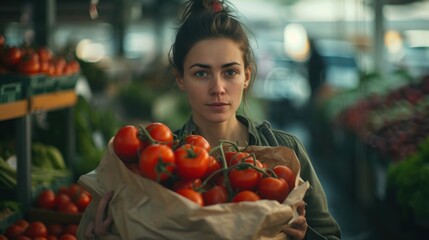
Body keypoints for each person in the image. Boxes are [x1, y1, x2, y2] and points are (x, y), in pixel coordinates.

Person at [80, 0, 341, 239]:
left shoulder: (287, 151)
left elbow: (331, 236)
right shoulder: (156, 161)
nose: (218, 88)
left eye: (230, 72)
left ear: (247, 76)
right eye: (201, 74)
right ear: (181, 78)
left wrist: (305, 236)